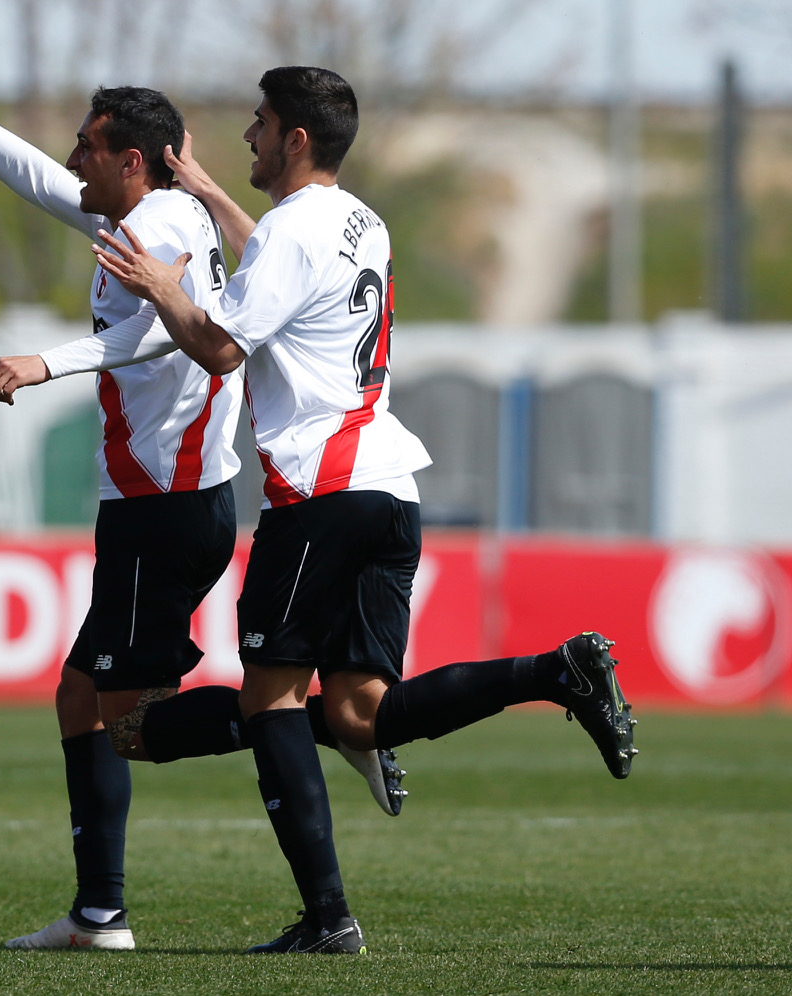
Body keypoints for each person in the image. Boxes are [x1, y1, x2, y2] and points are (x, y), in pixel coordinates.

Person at [0, 50, 405, 953]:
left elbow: (160, 330)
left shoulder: (161, 221)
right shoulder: (154, 205)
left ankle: (316, 722)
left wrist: (46, 361)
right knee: (83, 700)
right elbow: (33, 178)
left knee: (127, 725)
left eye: (87, 146)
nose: (71, 160)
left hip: (166, 498)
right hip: (155, 498)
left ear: (130, 160)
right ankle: (98, 912)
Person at [90, 65, 638, 956]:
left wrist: (162, 286)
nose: (249, 136)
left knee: (268, 703)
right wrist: (209, 193)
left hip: (320, 495)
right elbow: (276, 263)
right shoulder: (357, 219)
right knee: (358, 716)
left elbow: (220, 348)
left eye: (260, 123)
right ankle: (556, 672)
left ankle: (325, 916)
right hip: (389, 489)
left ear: (295, 138)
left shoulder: (291, 234)